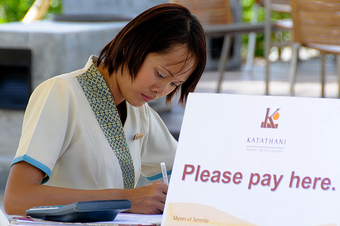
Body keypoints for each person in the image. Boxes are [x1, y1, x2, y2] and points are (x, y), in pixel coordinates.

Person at [4, 3, 206, 216]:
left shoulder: (139, 111)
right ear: (132, 46)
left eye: (175, 85)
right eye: (161, 74)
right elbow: (17, 198)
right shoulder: (62, 93)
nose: (162, 90)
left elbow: (194, 170)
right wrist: (127, 199)